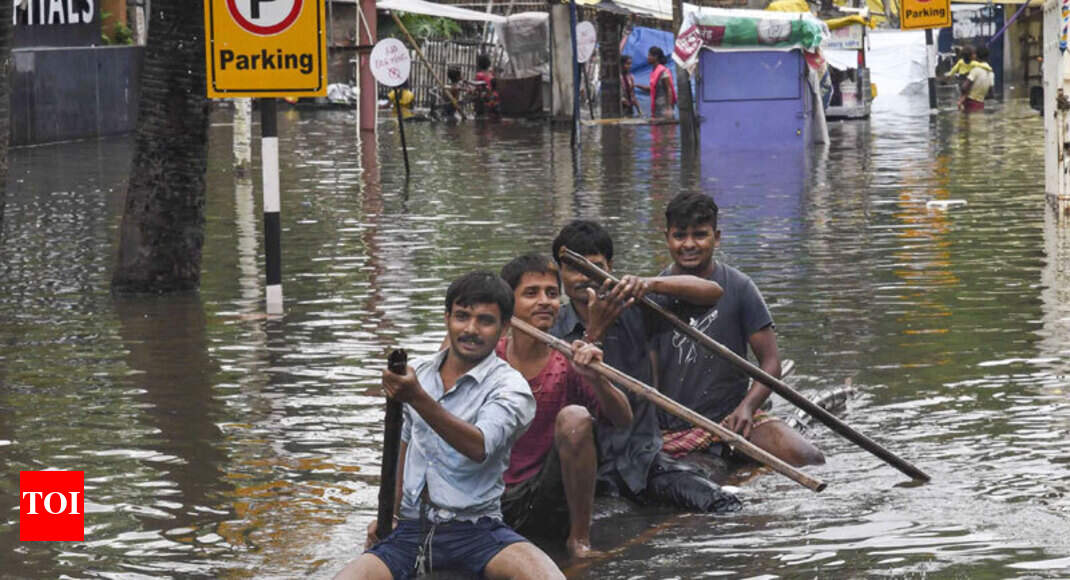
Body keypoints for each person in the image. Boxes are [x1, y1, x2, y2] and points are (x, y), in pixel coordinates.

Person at [334, 271, 564, 580]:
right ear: (447, 318)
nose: (470, 329)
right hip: (411, 530)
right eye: (462, 317)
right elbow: (403, 444)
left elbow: (479, 446)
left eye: (485, 320)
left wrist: (417, 398)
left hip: (477, 530)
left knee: (548, 577)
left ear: (504, 327)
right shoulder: (420, 372)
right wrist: (388, 515)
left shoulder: (511, 387)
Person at [549, 221, 741, 515]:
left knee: (722, 503)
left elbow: (713, 292)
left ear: (609, 267)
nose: (584, 278)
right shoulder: (549, 326)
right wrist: (594, 335)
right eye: (575, 269)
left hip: (641, 456)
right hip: (583, 462)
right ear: (560, 273)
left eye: (594, 267)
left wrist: (651, 283)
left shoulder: (635, 308)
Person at [646, 193, 825, 469]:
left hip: (736, 418)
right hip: (676, 427)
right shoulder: (651, 295)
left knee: (808, 458)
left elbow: (771, 363)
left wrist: (748, 407)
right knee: (700, 485)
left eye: (700, 235)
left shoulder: (740, 287)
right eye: (680, 236)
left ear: (716, 238)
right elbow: (647, 374)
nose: (689, 244)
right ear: (667, 238)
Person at [496, 254, 633, 559]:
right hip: (489, 495)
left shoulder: (568, 360)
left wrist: (596, 379)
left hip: (543, 497)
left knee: (575, 417)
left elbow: (623, 418)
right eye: (531, 293)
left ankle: (579, 540)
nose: (544, 301)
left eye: (551, 293)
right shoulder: (488, 355)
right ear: (508, 304)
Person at [637, 46, 676, 119]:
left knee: (666, 129)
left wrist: (668, 108)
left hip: (664, 109)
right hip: (657, 108)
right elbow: (652, 89)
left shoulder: (663, 71)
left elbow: (669, 89)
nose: (647, 57)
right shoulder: (654, 71)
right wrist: (637, 86)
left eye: (649, 55)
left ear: (655, 57)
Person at [960, 46, 994, 113]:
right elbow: (991, 95)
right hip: (980, 105)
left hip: (969, 104)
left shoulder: (975, 70)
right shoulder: (991, 72)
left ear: (976, 56)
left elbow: (964, 88)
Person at [474, 53, 496, 118]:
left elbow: (477, 88)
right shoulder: (492, 75)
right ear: (489, 64)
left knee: (480, 119)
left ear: (479, 64)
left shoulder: (479, 75)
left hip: (483, 100)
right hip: (492, 99)